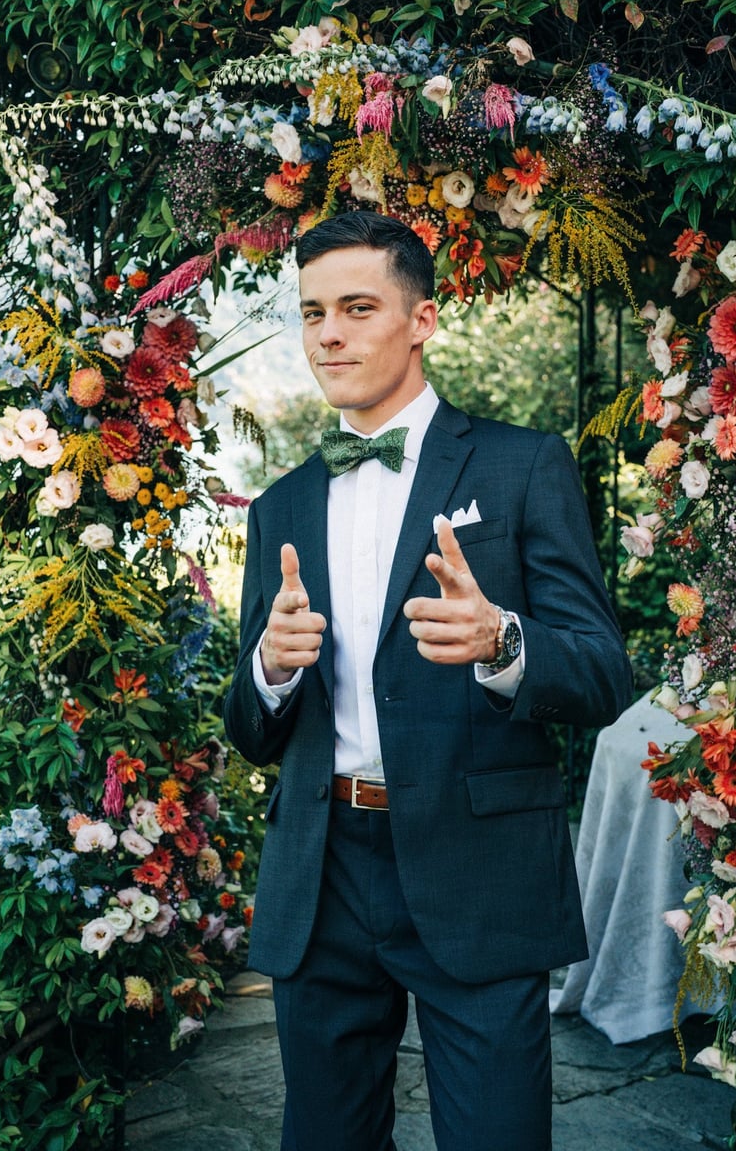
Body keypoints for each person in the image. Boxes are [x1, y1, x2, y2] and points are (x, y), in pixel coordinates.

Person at [223, 210, 633, 1151]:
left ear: (423, 319)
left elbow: (603, 672)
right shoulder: (280, 504)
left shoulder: (523, 464)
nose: (328, 334)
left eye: (358, 307)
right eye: (313, 312)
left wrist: (503, 641)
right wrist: (269, 669)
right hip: (321, 874)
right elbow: (249, 729)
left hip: (478, 864)